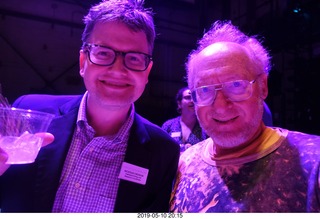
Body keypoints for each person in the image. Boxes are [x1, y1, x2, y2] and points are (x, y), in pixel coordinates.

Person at [0, 0, 180, 213]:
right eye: (103, 53)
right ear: (83, 61)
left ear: (147, 72)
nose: (117, 70)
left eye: (134, 58)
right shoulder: (31, 114)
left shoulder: (163, 151)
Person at [170, 20, 320, 212]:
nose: (221, 106)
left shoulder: (313, 161)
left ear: (263, 87)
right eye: (205, 90)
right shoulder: (182, 166)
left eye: (236, 85)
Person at [162, 87, 208, 153]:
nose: (192, 101)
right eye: (188, 97)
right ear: (179, 104)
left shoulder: (204, 127)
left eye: (194, 98)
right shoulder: (169, 125)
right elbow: (161, 149)